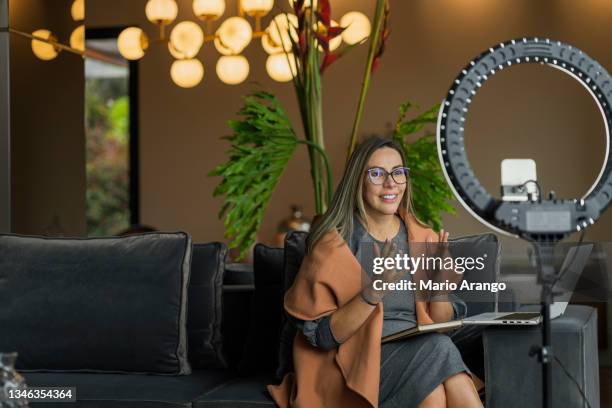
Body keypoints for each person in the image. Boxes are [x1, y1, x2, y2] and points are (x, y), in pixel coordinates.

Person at [267, 136, 483, 408]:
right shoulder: (334, 245)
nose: (390, 182)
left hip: (419, 351)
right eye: (377, 173)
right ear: (359, 180)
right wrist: (372, 292)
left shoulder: (423, 238)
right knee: (438, 352)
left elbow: (441, 327)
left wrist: (438, 286)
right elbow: (321, 338)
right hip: (356, 364)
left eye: (398, 172)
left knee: (435, 391)